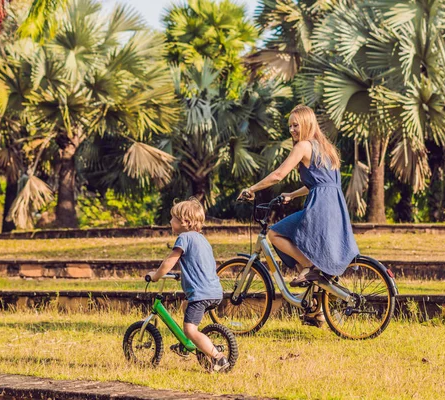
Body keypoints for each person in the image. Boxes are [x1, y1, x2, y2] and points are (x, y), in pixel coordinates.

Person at [238, 105, 359, 325]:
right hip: (335, 206)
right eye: (290, 126)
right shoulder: (326, 148)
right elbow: (322, 183)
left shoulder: (303, 146)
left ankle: (307, 267)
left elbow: (278, 175)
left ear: (307, 124)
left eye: (296, 125)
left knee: (275, 235)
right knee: (311, 251)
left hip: (320, 206)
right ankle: (317, 311)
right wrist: (293, 195)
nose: (292, 130)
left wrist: (252, 189)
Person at [146, 197, 229, 372]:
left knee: (190, 329)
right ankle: (186, 345)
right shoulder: (203, 240)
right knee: (186, 306)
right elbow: (200, 264)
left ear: (185, 222)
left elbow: (169, 261)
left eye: (173, 218)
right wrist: (182, 275)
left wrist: (156, 276)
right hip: (214, 291)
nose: (170, 221)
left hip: (201, 294)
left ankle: (218, 358)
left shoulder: (183, 238)